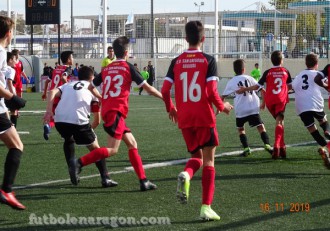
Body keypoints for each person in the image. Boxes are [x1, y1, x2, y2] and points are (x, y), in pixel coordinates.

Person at [161, 21, 233, 221]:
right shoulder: (208, 60)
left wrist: (171, 108)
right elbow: (210, 91)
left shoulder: (176, 61)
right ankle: (205, 207)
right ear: (203, 39)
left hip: (184, 118)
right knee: (209, 160)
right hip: (204, 117)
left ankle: (186, 174)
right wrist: (222, 106)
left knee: (197, 157)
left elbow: (165, 90)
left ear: (185, 39)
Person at [70, 36, 163, 191]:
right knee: (113, 149)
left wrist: (103, 98)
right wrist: (165, 98)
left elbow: (91, 87)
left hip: (110, 110)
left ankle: (143, 181)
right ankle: (78, 163)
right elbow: (148, 89)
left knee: (132, 143)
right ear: (127, 52)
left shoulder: (107, 68)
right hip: (115, 111)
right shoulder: (128, 67)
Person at [43, 66, 118, 187]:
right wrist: (87, 131)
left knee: (68, 139)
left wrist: (48, 111)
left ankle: (71, 168)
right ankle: (105, 178)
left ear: (78, 77)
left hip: (59, 120)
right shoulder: (92, 89)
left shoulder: (68, 84)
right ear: (92, 77)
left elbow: (51, 92)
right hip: (78, 121)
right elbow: (97, 120)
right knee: (96, 149)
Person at [237, 50, 292, 159]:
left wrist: (245, 89)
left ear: (272, 61)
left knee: (279, 121)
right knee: (280, 121)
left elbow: (257, 86)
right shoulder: (286, 71)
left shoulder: (267, 72)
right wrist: (286, 91)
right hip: (280, 99)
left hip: (269, 101)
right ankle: (278, 145)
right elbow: (290, 86)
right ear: (281, 60)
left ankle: (282, 145)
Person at [0, 15, 27, 210]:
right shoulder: (0, 52)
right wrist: (12, 97)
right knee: (16, 145)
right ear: (9, 33)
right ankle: (6, 190)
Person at [222, 59, 273, 157]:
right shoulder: (250, 78)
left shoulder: (232, 81)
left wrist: (224, 104)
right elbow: (263, 90)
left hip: (241, 108)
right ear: (244, 69)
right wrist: (263, 103)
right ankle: (267, 145)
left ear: (234, 70)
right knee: (260, 126)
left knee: (241, 129)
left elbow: (222, 97)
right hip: (253, 107)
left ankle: (246, 149)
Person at [42, 51, 74, 140]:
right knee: (66, 116)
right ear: (68, 60)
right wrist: (69, 88)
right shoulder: (68, 69)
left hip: (52, 96)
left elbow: (47, 81)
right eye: (72, 57)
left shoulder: (55, 69)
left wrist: (44, 93)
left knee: (53, 116)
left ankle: (48, 125)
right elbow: (63, 78)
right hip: (61, 96)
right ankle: (66, 135)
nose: (73, 59)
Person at [4, 52, 19, 127]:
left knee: (4, 111)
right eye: (15, 59)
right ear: (10, 60)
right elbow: (9, 82)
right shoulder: (11, 70)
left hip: (2, 92)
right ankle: (13, 129)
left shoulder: (2, 68)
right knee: (13, 111)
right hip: (8, 93)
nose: (16, 61)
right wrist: (13, 96)